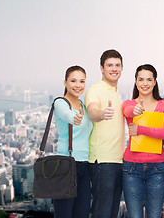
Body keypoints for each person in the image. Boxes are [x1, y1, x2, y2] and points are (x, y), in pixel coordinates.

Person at [122, 64, 164, 218]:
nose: (145, 83)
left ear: (154, 82)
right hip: (131, 167)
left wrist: (140, 129)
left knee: (154, 215)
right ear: (136, 82)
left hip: (157, 168)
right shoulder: (129, 104)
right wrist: (136, 110)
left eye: (149, 80)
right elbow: (127, 111)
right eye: (141, 79)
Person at [84, 49, 125, 218]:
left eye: (117, 65)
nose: (114, 69)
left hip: (118, 160)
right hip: (102, 161)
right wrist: (102, 114)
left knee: (112, 213)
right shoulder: (94, 89)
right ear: (101, 68)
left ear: (122, 68)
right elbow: (92, 111)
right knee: (102, 212)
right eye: (109, 65)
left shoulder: (117, 94)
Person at [53, 65, 93, 218]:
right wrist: (74, 118)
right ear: (65, 83)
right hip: (66, 166)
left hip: (84, 165)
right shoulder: (60, 103)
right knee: (64, 213)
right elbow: (67, 115)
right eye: (73, 81)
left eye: (82, 81)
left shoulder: (83, 105)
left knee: (82, 213)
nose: (78, 85)